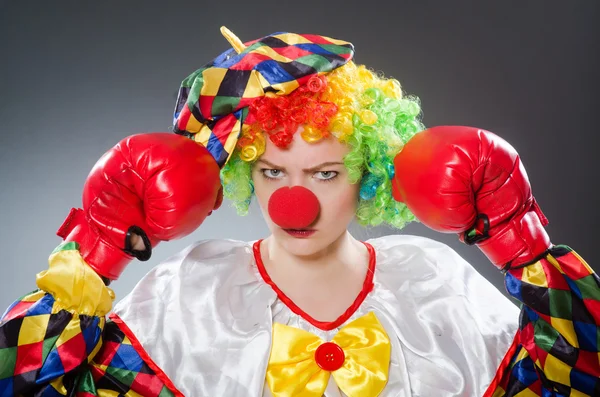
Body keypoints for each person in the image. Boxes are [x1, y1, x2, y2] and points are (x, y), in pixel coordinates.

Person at [0, 27, 598, 397]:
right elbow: (21, 382)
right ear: (243, 174)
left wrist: (521, 240)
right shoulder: (193, 291)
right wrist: (99, 246)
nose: (295, 201)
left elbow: (578, 375)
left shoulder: (430, 278)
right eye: (272, 172)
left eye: (326, 173)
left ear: (371, 170)